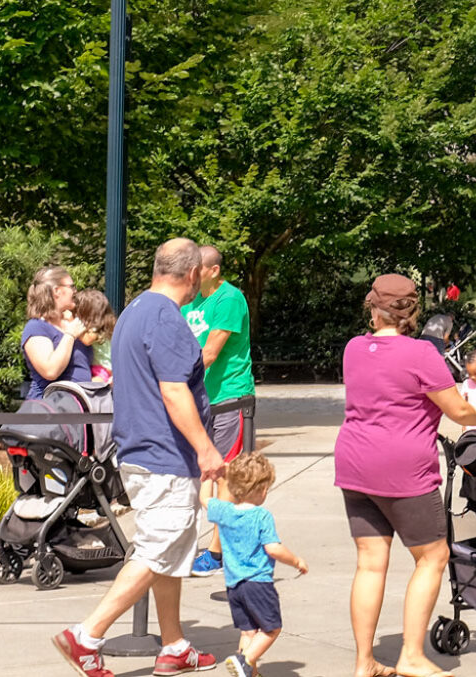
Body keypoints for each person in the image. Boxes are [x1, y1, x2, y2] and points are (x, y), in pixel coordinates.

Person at [52, 238, 224, 677]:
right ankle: (86, 636)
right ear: (192, 275)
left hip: (141, 451)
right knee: (159, 547)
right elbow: (173, 390)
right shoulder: (167, 318)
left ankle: (174, 645)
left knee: (170, 547)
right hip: (164, 452)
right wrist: (206, 449)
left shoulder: (134, 311)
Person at [336, 273, 476, 677]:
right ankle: (410, 655)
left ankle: (363, 662)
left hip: (354, 464)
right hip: (403, 470)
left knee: (370, 563)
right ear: (412, 312)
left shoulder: (353, 349)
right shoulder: (422, 355)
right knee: (432, 556)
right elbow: (458, 411)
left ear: (374, 308)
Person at [187, 244, 255, 577]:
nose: (191, 274)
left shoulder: (228, 299)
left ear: (213, 270)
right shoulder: (191, 301)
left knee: (226, 473)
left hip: (230, 398)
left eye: (197, 268)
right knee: (202, 473)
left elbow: (210, 352)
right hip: (201, 400)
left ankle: (216, 552)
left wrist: (170, 377)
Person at [208, 449, 307, 677]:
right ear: (262, 490)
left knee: (248, 632)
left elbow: (205, 500)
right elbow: (273, 548)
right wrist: (296, 561)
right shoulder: (261, 516)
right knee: (272, 628)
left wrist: (210, 478)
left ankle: (249, 673)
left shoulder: (224, 511)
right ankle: (246, 660)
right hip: (258, 583)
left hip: (234, 585)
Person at [22, 263, 92, 400]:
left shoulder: (73, 324)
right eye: (71, 287)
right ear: (56, 291)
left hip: (80, 412)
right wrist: (70, 336)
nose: (75, 291)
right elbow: (50, 370)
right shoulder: (36, 327)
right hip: (48, 413)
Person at [73, 289, 117, 385]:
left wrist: (71, 324)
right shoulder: (106, 325)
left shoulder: (96, 329)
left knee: (89, 386)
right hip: (102, 367)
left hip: (103, 369)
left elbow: (87, 340)